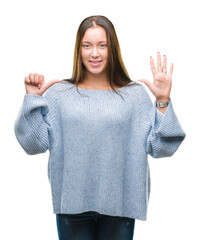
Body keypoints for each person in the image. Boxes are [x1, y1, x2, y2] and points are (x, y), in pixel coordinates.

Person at [14, 15, 186, 240]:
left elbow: (161, 148)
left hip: (120, 209)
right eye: (87, 45)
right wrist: (32, 100)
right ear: (79, 49)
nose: (94, 53)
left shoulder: (134, 96)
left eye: (102, 45)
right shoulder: (60, 94)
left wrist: (163, 100)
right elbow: (33, 144)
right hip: (72, 208)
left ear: (112, 48)